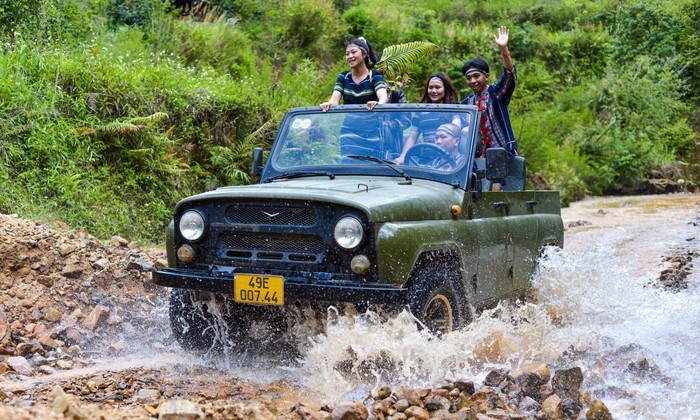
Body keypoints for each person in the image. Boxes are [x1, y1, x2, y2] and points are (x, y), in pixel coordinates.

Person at [460, 25, 517, 191]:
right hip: (478, 154)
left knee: (495, 175)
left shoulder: (496, 93)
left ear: (486, 76)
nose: (472, 81)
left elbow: (509, 75)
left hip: (501, 152)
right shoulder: (467, 103)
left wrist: (504, 49)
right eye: (468, 78)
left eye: (476, 76)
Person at [319, 37, 389, 157]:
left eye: (353, 52)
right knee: (348, 163)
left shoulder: (375, 76)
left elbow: (383, 97)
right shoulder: (343, 77)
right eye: (347, 54)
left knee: (371, 167)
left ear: (365, 53)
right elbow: (334, 100)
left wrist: (378, 103)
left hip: (371, 131)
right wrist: (327, 104)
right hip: (349, 130)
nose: (350, 56)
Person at [394, 72, 461, 165]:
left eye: (437, 87)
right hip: (425, 162)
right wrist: (402, 157)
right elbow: (412, 138)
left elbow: (455, 134)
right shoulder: (421, 111)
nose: (433, 91)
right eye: (430, 88)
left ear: (445, 89)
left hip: (446, 162)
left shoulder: (454, 110)